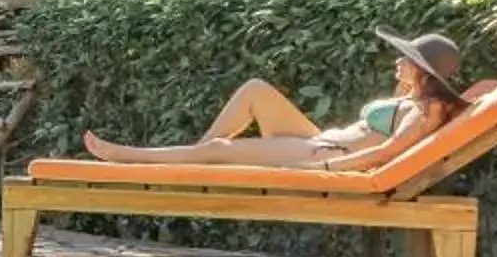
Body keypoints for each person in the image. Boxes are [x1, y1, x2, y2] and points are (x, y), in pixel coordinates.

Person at [75, 29, 471, 168]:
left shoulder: (425, 111)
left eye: (407, 58)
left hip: (319, 154)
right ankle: (194, 157)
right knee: (255, 90)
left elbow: (384, 155)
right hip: (318, 140)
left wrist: (329, 170)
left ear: (423, 71)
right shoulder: (414, 100)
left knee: (220, 147)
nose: (398, 61)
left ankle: (128, 155)